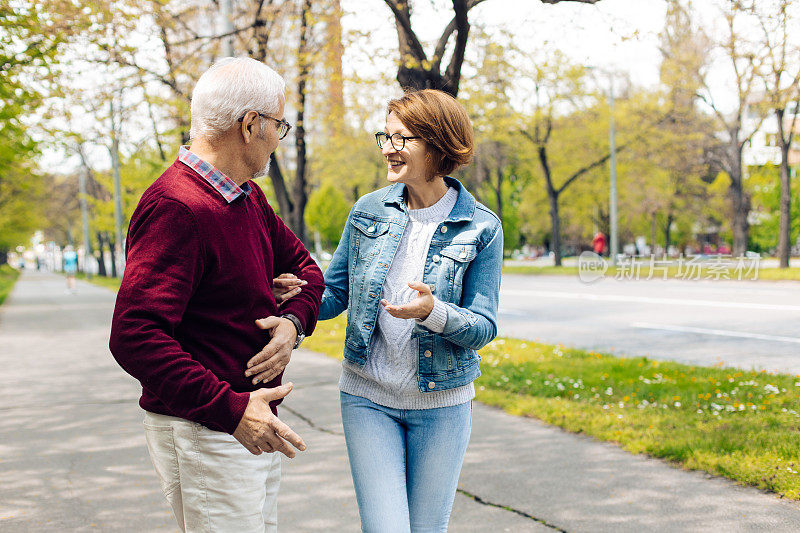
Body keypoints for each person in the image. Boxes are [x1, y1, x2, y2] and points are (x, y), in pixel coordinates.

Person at [109, 57, 324, 533]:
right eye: (278, 125)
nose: (278, 139)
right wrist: (231, 410)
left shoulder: (245, 195)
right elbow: (134, 336)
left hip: (248, 423)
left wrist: (292, 325)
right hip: (210, 428)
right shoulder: (177, 207)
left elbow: (308, 273)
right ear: (250, 125)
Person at [318, 89, 503, 532]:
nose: (388, 147)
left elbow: (484, 327)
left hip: (443, 404)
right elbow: (334, 293)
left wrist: (432, 311)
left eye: (402, 139)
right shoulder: (368, 210)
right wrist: (293, 294)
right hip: (368, 397)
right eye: (386, 135)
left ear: (437, 145)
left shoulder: (481, 226)